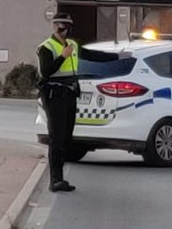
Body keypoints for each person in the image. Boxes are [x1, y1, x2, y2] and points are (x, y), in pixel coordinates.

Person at [37, 14, 126, 193]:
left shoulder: (73, 45)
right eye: (62, 25)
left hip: (70, 94)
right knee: (56, 138)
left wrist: (119, 56)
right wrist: (62, 56)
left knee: (66, 137)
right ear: (55, 26)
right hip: (54, 95)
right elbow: (46, 72)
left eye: (68, 26)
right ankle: (55, 180)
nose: (65, 29)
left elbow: (93, 55)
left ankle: (61, 178)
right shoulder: (46, 47)